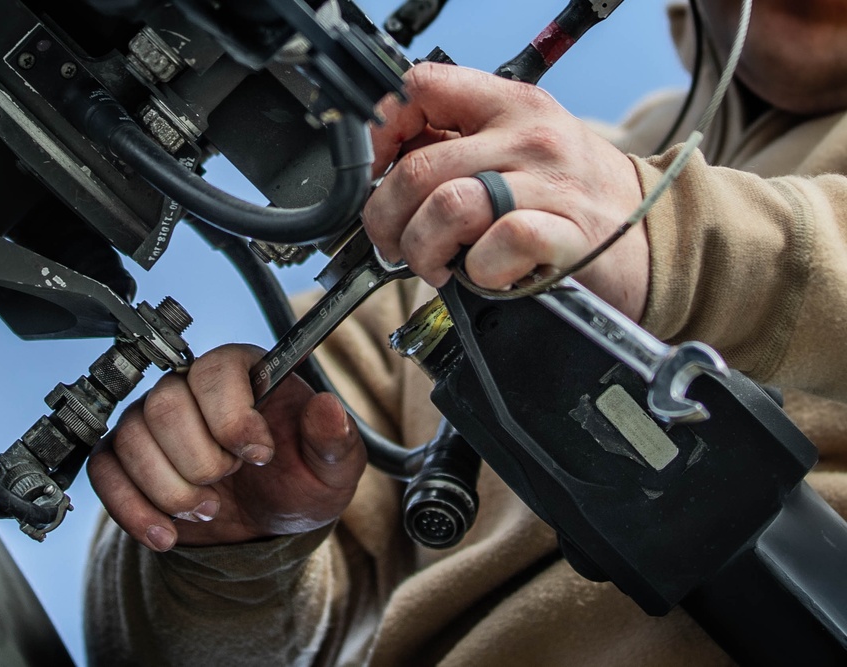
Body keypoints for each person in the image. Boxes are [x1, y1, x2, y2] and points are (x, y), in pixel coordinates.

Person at [84, 0, 847, 664]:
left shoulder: (587, 192)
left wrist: (675, 237)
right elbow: (155, 648)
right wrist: (228, 549)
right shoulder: (491, 205)